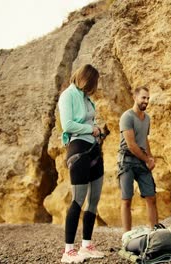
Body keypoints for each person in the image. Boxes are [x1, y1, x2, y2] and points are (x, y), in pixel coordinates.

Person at [58, 64, 105, 263]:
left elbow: (89, 124)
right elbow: (67, 125)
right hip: (78, 151)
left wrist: (98, 131)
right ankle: (68, 251)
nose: (93, 88)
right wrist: (91, 129)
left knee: (94, 199)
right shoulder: (67, 96)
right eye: (92, 83)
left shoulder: (86, 99)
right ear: (86, 79)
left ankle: (86, 245)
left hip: (94, 150)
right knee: (78, 199)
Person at [118, 86, 158, 232]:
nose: (146, 101)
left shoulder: (147, 118)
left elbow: (144, 140)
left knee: (151, 197)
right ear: (135, 97)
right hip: (126, 160)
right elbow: (131, 144)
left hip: (141, 160)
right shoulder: (127, 117)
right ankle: (126, 236)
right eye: (143, 97)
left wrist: (150, 157)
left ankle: (155, 233)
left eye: (148, 98)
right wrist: (147, 159)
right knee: (126, 200)